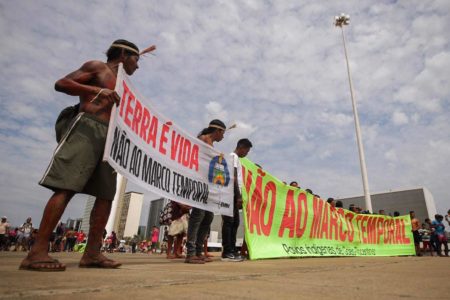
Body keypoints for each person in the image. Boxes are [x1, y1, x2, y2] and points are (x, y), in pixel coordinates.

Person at [19, 40, 155, 272]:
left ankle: (92, 253)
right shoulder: (97, 67)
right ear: (123, 54)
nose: (138, 67)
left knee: (105, 196)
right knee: (66, 187)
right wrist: (96, 90)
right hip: (87, 129)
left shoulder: (125, 85)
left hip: (110, 139)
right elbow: (61, 84)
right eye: (136, 60)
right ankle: (37, 251)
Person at [185, 120, 227, 264]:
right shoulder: (202, 140)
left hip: (208, 185)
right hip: (199, 182)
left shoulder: (212, 145)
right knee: (198, 215)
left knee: (208, 216)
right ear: (218, 131)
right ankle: (190, 253)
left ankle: (198, 251)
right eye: (223, 133)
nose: (223, 137)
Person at [222, 138, 252, 262]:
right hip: (231, 194)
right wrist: (238, 196)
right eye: (247, 151)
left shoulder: (237, 159)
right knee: (229, 222)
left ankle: (232, 250)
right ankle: (227, 251)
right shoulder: (233, 157)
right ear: (242, 147)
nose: (247, 153)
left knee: (235, 223)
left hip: (233, 194)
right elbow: (233, 177)